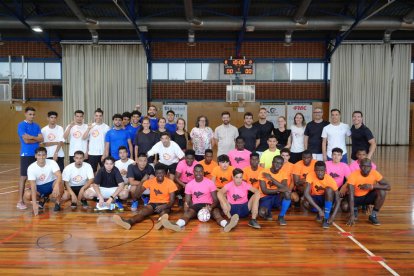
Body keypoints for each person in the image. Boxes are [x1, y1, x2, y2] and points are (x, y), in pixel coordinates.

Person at [161, 165, 240, 232]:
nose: (198, 173)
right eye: (196, 171)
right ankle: (177, 225)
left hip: (208, 205)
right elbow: (188, 201)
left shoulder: (210, 183)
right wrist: (186, 206)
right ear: (193, 172)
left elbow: (215, 200)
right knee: (187, 214)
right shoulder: (189, 185)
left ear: (203, 172)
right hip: (196, 205)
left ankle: (227, 225)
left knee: (216, 213)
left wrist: (210, 207)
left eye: (200, 171)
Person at [112, 163, 177, 230]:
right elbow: (136, 195)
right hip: (153, 204)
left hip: (165, 204)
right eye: (157, 173)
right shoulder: (151, 181)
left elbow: (172, 201)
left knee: (164, 213)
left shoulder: (170, 183)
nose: (159, 175)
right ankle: (129, 222)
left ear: (165, 174)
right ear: (155, 173)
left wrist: (164, 206)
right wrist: (142, 181)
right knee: (142, 212)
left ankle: (161, 222)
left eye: (161, 173)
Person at [346, 159, 391, 226]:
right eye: (363, 166)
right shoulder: (353, 176)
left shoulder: (374, 173)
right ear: (360, 166)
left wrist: (372, 186)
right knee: (345, 206)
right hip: (356, 198)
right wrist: (351, 215)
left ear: (371, 167)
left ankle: (373, 215)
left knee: (382, 192)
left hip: (367, 196)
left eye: (368, 166)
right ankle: (355, 211)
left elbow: (388, 187)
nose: (366, 168)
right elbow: (351, 196)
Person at [17, 106, 43, 210]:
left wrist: (32, 137)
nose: (32, 116)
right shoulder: (21, 125)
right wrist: (36, 139)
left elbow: (41, 138)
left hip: (36, 154)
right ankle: (20, 201)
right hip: (26, 154)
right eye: (30, 114)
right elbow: (26, 141)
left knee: (36, 177)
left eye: (33, 114)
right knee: (24, 177)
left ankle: (36, 198)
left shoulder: (37, 126)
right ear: (25, 114)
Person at [24, 147, 62, 215]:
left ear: (46, 155)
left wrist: (56, 186)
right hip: (39, 187)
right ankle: (42, 199)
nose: (41, 157)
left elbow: (59, 175)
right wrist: (34, 203)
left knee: (59, 183)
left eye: (43, 155)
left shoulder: (52, 162)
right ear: (35, 156)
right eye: (39, 155)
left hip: (51, 184)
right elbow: (33, 186)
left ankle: (57, 203)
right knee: (27, 194)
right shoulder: (31, 168)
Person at [304, 161, 341, 228]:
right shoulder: (310, 175)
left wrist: (333, 216)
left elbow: (338, 200)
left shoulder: (330, 180)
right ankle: (320, 211)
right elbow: (306, 194)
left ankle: (326, 218)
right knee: (304, 202)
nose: (320, 173)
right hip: (316, 197)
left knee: (329, 190)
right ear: (314, 170)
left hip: (326, 198)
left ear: (325, 170)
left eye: (322, 171)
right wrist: (319, 210)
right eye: (318, 170)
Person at [258, 156, 291, 225]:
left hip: (277, 196)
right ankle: (268, 212)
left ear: (282, 165)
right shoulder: (264, 172)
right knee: (262, 213)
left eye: (280, 163)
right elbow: (264, 191)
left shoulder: (283, 173)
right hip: (265, 196)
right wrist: (279, 189)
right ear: (272, 163)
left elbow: (285, 188)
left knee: (287, 193)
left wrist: (271, 178)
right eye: (276, 162)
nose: (278, 165)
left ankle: (281, 216)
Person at [83, 108, 110, 173]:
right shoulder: (90, 126)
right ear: (94, 116)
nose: (98, 117)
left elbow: (107, 143)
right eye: (97, 115)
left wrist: (105, 153)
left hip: (102, 154)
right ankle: (93, 183)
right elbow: (84, 138)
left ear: (102, 116)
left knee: (105, 171)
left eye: (100, 116)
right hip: (92, 153)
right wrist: (88, 129)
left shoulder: (106, 127)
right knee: (92, 171)